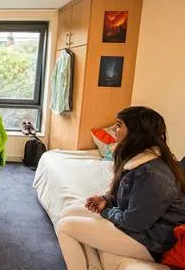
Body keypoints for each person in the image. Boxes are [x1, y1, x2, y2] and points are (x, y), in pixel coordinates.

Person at [56, 106, 185, 269]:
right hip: (141, 230)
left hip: (153, 242)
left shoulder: (153, 174)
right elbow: (128, 198)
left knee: (66, 227)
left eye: (118, 125)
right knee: (70, 211)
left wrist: (105, 210)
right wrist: (106, 199)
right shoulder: (138, 160)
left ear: (136, 132)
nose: (114, 131)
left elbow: (133, 222)